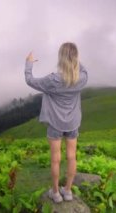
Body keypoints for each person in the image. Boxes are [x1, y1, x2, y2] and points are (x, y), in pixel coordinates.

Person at [24, 42, 88, 203]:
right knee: (72, 157)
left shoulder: (53, 80)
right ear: (75, 58)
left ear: (60, 57)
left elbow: (30, 80)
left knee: (55, 159)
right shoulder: (81, 78)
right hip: (73, 123)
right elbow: (83, 69)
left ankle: (56, 193)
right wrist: (74, 59)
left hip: (55, 124)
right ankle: (67, 191)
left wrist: (29, 63)